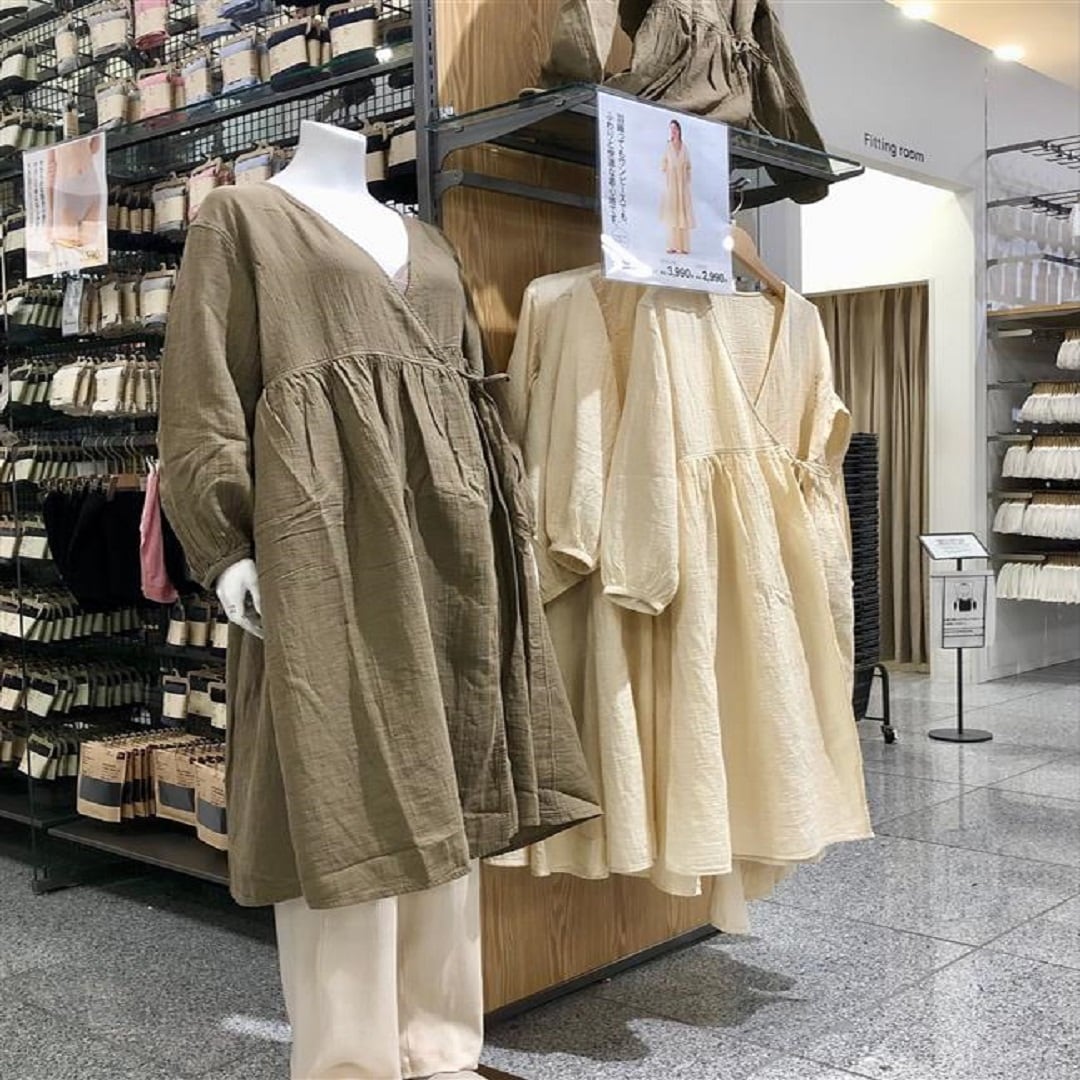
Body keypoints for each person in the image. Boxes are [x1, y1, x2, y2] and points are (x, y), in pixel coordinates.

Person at [661, 119, 694, 254]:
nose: (673, 131)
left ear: (679, 130)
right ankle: (672, 245)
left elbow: (689, 166)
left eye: (675, 128)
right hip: (672, 185)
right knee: (672, 214)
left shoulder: (684, 147)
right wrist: (670, 172)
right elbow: (663, 164)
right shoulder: (668, 146)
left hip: (683, 186)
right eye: (671, 129)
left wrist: (685, 179)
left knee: (683, 215)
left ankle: (684, 246)